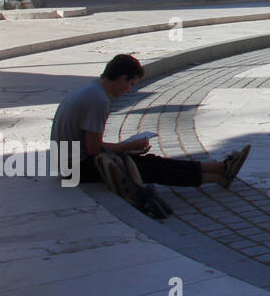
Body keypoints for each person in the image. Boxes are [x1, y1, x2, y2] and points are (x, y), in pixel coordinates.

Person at [51, 54, 251, 218]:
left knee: (150, 162)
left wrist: (127, 147)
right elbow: (94, 149)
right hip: (74, 169)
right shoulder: (98, 101)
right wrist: (128, 146)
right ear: (123, 78)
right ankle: (219, 175)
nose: (129, 90)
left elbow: (91, 146)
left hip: (67, 162)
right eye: (131, 84)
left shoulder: (90, 90)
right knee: (150, 169)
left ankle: (220, 168)